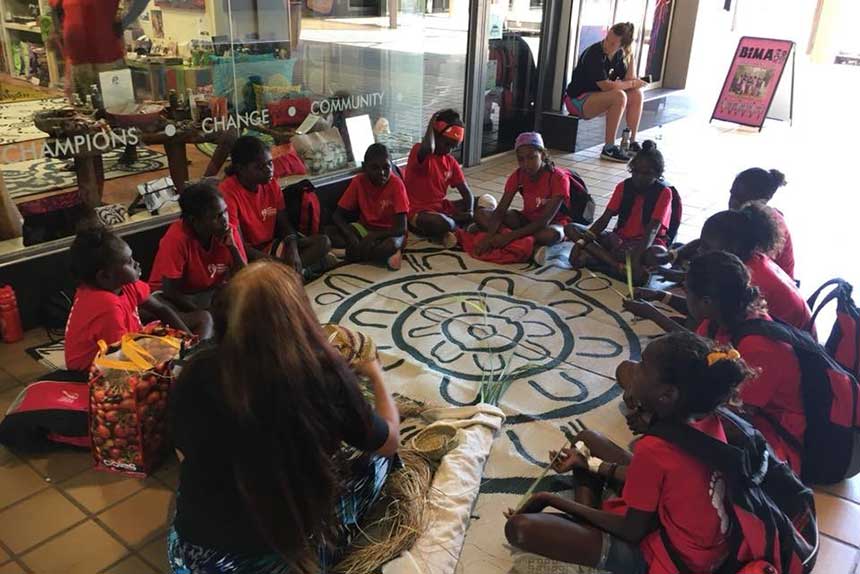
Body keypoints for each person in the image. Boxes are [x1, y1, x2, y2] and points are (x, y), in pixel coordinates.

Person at [168, 261, 400, 572]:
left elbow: (183, 453)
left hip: (192, 559)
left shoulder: (194, 371)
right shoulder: (324, 377)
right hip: (271, 560)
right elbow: (388, 443)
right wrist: (375, 373)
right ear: (299, 316)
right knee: (379, 462)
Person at [505, 330, 750, 573]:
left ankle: (588, 539)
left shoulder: (653, 449)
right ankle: (586, 523)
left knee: (520, 528)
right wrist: (588, 463)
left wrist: (548, 500)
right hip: (696, 539)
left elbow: (632, 530)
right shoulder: (707, 419)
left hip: (675, 560)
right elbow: (663, 478)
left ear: (667, 395)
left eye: (642, 366)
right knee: (587, 440)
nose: (634, 370)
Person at [64, 227, 210, 372]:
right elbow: (121, 360)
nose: (136, 263)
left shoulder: (124, 285)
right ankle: (194, 363)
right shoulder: (106, 306)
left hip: (129, 345)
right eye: (128, 262)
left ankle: (195, 359)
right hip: (93, 371)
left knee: (203, 318)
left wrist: (192, 344)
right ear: (105, 276)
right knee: (171, 370)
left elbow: (161, 309)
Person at [219, 135, 332, 277]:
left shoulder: (271, 183)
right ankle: (296, 273)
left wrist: (292, 248)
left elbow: (283, 223)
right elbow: (238, 246)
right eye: (260, 167)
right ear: (241, 169)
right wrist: (276, 263)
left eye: (270, 163)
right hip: (250, 255)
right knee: (260, 273)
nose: (269, 170)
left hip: (271, 246)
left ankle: (291, 274)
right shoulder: (228, 192)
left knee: (323, 242)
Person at [565, 140, 672, 284]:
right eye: (636, 172)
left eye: (647, 173)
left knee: (657, 255)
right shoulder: (623, 187)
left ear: (658, 174)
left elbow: (652, 231)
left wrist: (636, 260)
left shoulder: (664, 193)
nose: (639, 177)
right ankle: (615, 265)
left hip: (644, 246)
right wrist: (580, 242)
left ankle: (600, 261)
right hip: (619, 241)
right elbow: (604, 220)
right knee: (572, 228)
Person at [472, 132, 570, 265]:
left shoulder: (558, 178)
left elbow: (543, 221)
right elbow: (500, 210)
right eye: (521, 159)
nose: (526, 164)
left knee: (552, 235)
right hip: (527, 220)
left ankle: (512, 240)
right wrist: (489, 237)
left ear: (542, 154)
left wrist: (508, 236)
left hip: (551, 224)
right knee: (481, 214)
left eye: (531, 158)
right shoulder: (518, 175)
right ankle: (528, 246)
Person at [148, 181, 246, 313]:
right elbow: (170, 291)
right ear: (195, 221)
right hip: (172, 298)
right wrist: (204, 313)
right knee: (206, 320)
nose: (224, 220)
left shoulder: (228, 231)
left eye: (225, 212)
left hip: (207, 292)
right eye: (216, 216)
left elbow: (245, 276)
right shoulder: (176, 239)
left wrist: (233, 248)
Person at [564, 22, 647, 163]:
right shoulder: (594, 53)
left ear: (622, 46)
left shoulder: (620, 54)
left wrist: (630, 53)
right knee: (619, 96)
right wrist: (632, 83)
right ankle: (609, 148)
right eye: (607, 39)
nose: (607, 44)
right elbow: (607, 86)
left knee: (637, 94)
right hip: (577, 101)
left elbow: (629, 80)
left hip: (598, 99)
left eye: (613, 43)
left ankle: (631, 142)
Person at [328, 144, 409, 270]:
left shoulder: (396, 185)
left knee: (391, 245)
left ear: (391, 166)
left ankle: (346, 254)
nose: (382, 173)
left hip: (390, 233)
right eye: (375, 168)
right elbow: (337, 215)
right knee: (329, 233)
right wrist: (350, 235)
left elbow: (401, 229)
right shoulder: (358, 182)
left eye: (386, 167)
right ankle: (382, 256)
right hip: (365, 229)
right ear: (365, 167)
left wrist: (374, 236)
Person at [405, 109, 474, 248]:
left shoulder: (450, 161)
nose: (449, 150)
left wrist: (471, 211)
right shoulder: (418, 151)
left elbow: (466, 192)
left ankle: (453, 227)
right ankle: (455, 226)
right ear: (435, 134)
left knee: (486, 200)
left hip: (442, 208)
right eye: (447, 144)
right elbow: (429, 148)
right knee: (441, 222)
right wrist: (432, 122)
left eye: (453, 147)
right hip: (418, 213)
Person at [728, 168, 794, 279]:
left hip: (770, 288)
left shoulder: (768, 226)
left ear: (765, 199)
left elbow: (743, 267)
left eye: (742, 198)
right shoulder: (744, 217)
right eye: (732, 194)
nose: (733, 201)